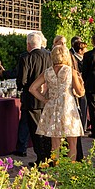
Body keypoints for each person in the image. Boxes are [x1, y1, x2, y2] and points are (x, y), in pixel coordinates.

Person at [29, 45, 85, 161]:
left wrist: (44, 99)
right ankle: (70, 171)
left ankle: (56, 170)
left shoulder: (47, 72)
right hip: (67, 106)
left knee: (55, 145)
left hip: (52, 107)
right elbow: (80, 92)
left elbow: (32, 88)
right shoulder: (71, 72)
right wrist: (81, 84)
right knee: (72, 143)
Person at [18, 32, 52, 164]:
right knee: (46, 128)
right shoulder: (49, 55)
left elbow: (22, 81)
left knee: (36, 130)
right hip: (46, 97)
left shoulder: (25, 58)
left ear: (28, 44)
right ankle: (48, 156)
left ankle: (41, 158)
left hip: (31, 98)